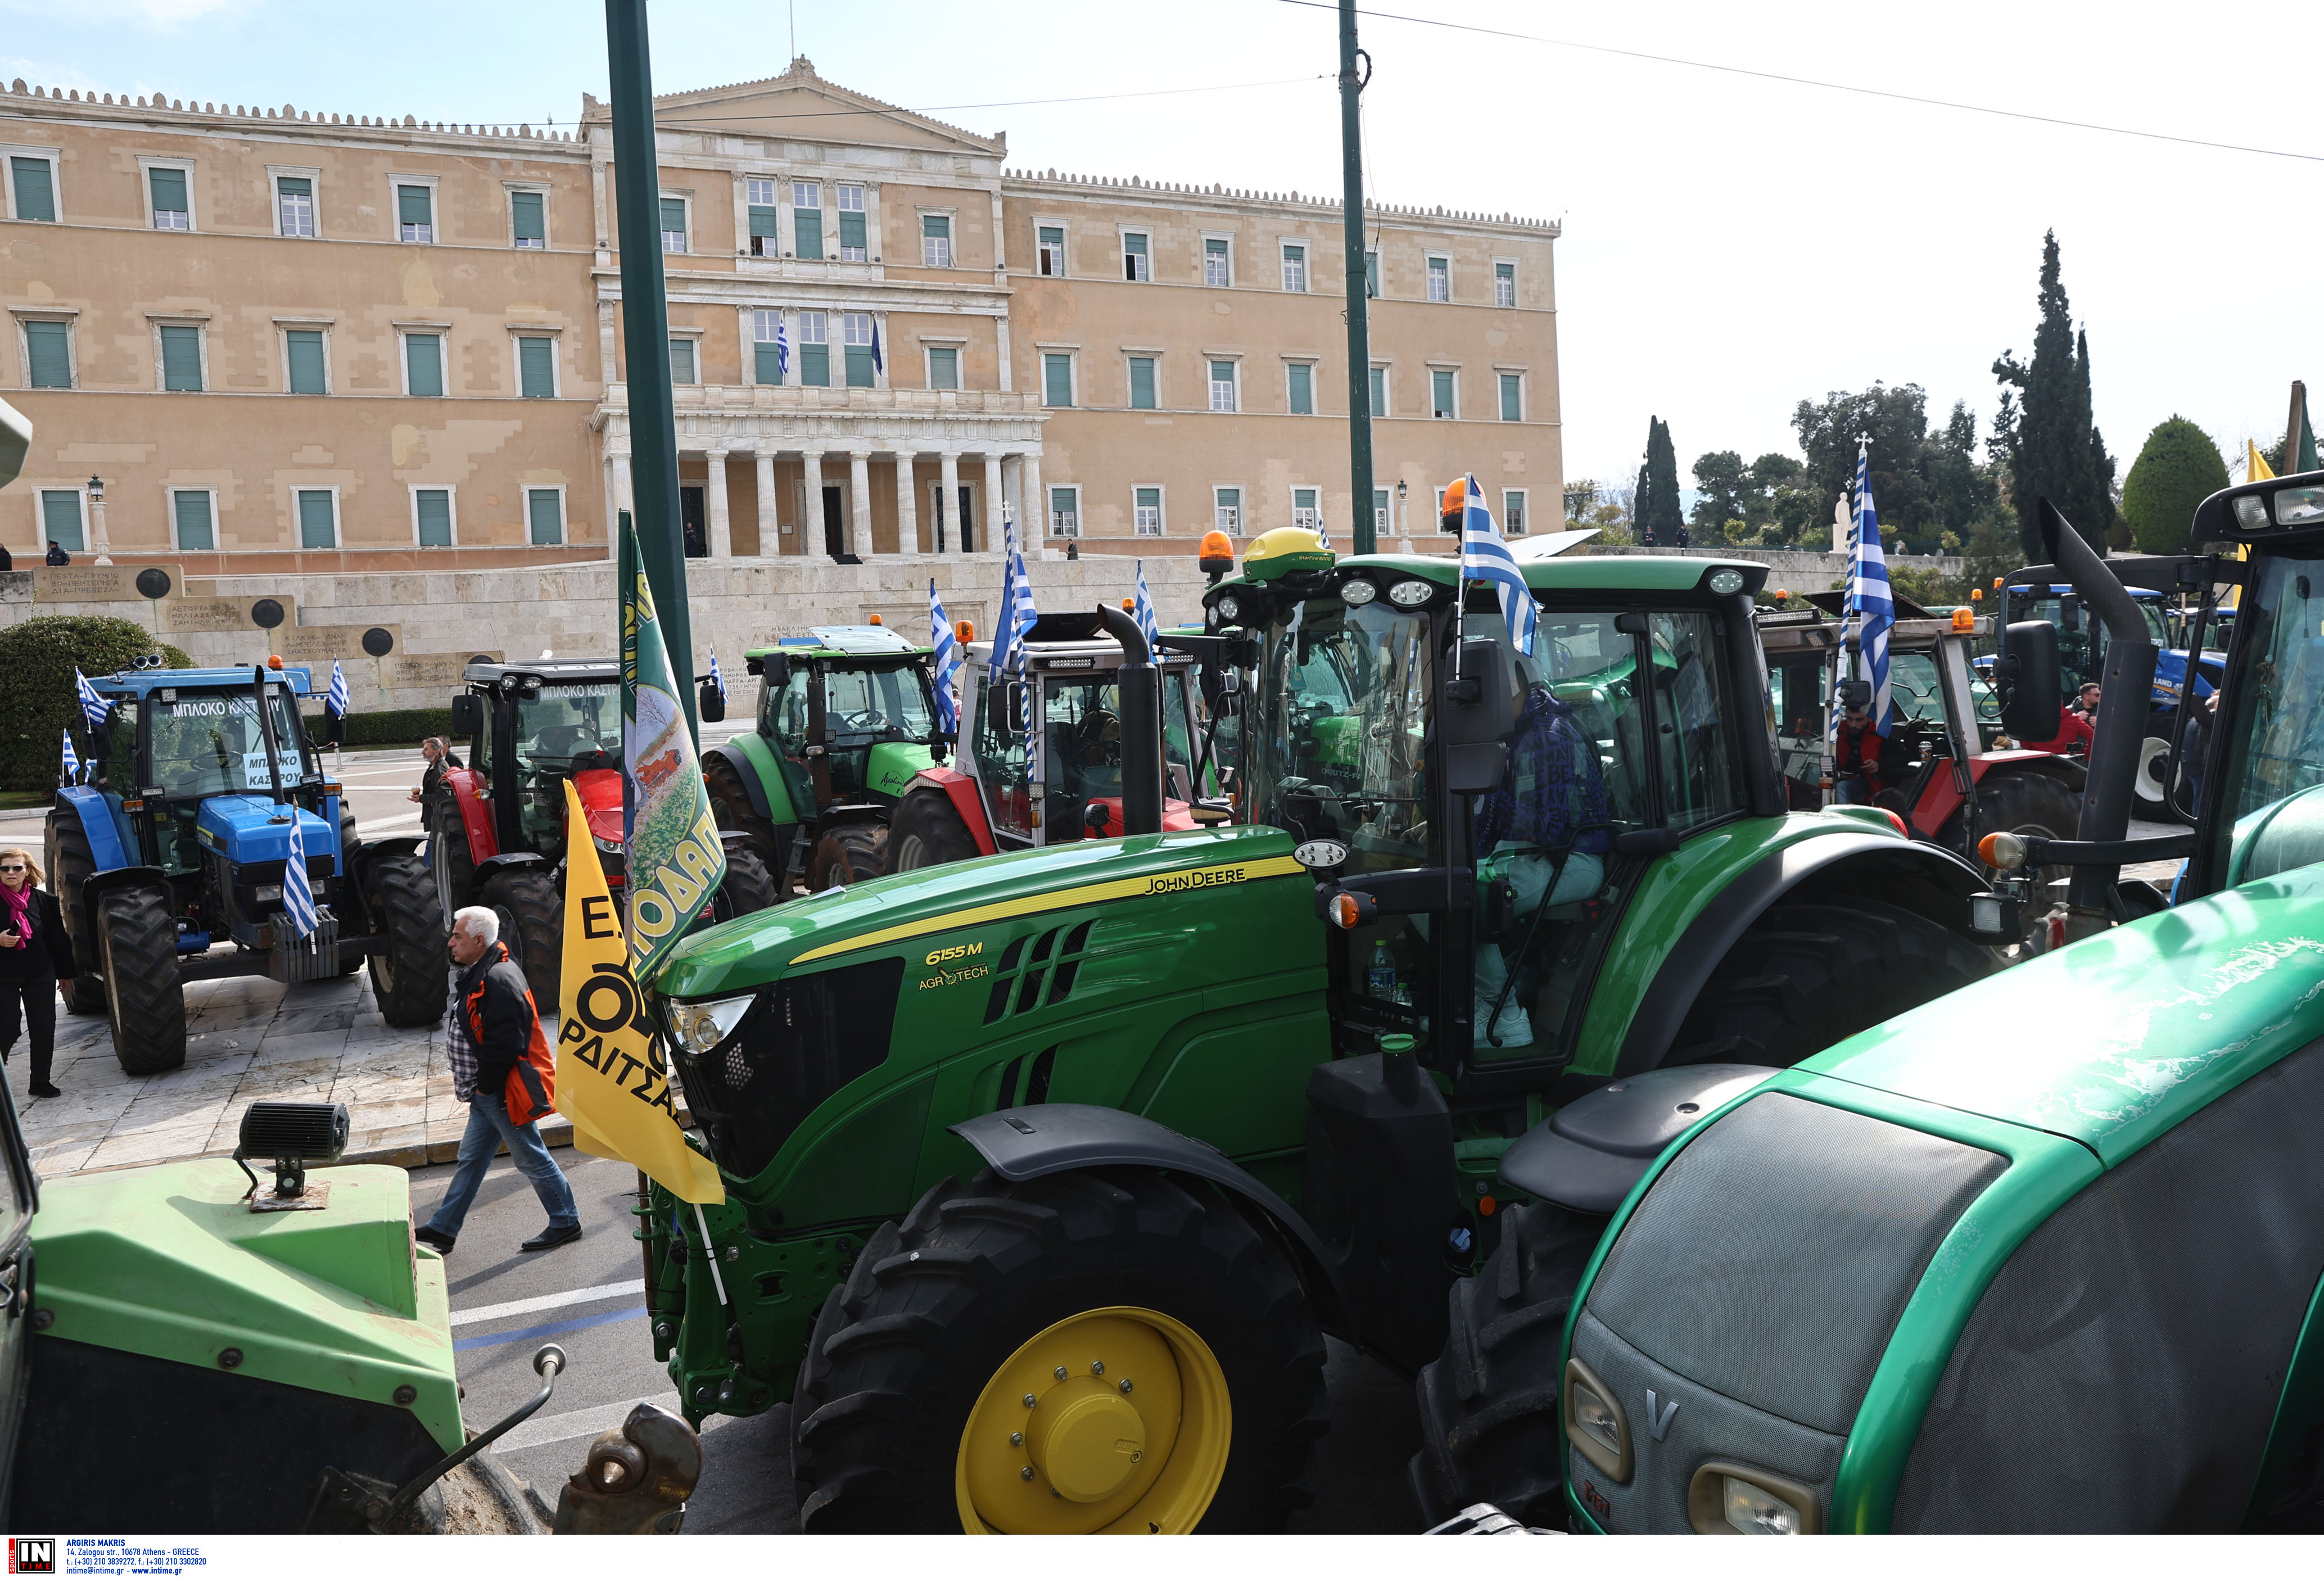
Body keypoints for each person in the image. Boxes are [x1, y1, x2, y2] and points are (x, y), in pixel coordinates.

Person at [415, 906, 580, 1256]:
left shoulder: (498, 979)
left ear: (478, 940)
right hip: (486, 1091)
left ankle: (566, 1220)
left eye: (457, 936)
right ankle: (444, 1229)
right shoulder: (483, 970)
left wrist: (487, 1087)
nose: (451, 943)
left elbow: (506, 1044)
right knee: (471, 1160)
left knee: (531, 1158)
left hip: (500, 1090)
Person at [1468, 655, 1610, 1048]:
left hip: (1571, 858)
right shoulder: (1524, 733)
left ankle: (1505, 1016)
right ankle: (1482, 1003)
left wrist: (1477, 843)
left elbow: (1539, 828)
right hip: (1544, 854)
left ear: (1515, 691)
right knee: (1458, 883)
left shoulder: (1547, 737)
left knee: (1465, 899)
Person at [0, 848, 76, 1098]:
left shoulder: (45, 901)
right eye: (5, 868)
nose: (11, 872)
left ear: (28, 871)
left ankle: (40, 1082)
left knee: (44, 1028)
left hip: (40, 973)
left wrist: (64, 974)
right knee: (7, 1026)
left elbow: (57, 939)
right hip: (3, 976)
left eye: (17, 868)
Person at [1833, 702, 1885, 802]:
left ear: (1870, 718)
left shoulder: (1880, 732)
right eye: (1850, 719)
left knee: (1842, 787)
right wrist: (1841, 774)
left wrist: (1879, 765)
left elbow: (1903, 758)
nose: (1853, 725)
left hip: (1873, 785)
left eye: (1859, 720)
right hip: (1847, 779)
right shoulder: (1839, 731)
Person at [409, 735, 463, 804]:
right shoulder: (435, 765)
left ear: (437, 752)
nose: (423, 752)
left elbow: (443, 796)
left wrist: (421, 798)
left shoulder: (439, 770)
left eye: (426, 749)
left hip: (437, 813)